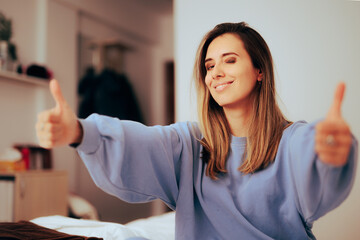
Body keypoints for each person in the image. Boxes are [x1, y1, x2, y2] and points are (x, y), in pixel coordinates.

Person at [36, 22, 358, 239]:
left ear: (260, 71)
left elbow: (313, 155)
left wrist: (329, 150)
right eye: (209, 65)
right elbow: (140, 144)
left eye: (229, 60)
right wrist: (80, 132)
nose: (216, 72)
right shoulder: (190, 146)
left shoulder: (290, 143)